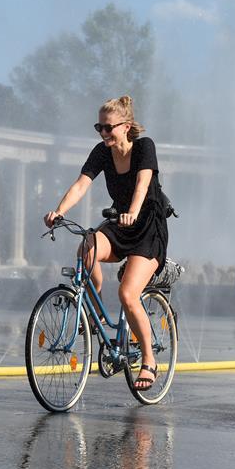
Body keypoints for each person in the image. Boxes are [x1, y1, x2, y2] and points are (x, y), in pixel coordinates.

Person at [43, 95, 169, 392]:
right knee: (86, 248)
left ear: (126, 126)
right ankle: (96, 310)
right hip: (121, 224)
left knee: (128, 293)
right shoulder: (102, 152)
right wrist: (60, 211)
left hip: (148, 228)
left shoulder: (144, 147)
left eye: (108, 128)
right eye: (98, 127)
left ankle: (149, 360)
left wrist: (134, 213)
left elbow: (142, 184)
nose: (102, 133)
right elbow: (82, 183)